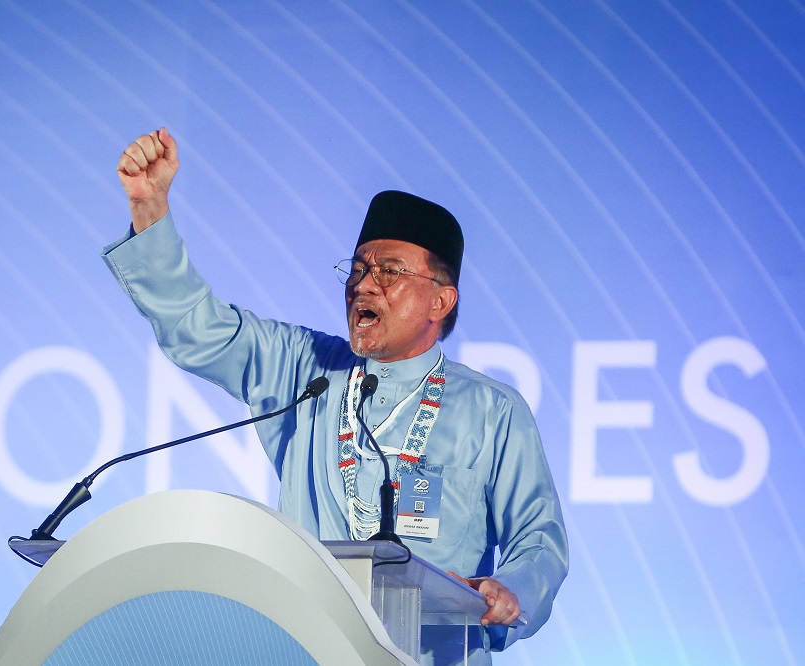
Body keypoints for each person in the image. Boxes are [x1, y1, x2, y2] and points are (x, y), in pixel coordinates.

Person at [101, 128, 568, 665]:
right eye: (359, 269)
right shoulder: (304, 369)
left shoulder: (493, 411)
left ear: (441, 300)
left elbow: (539, 538)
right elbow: (196, 326)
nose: (364, 286)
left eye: (390, 272)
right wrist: (149, 208)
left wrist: (510, 590)